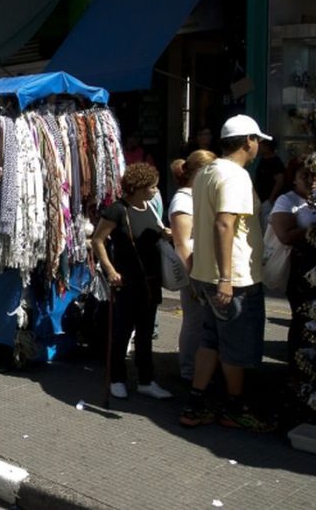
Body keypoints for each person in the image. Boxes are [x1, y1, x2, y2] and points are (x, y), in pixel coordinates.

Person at [180, 114, 274, 432]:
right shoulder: (235, 176)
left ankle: (196, 403)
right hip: (233, 279)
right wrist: (226, 278)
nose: (258, 146)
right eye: (257, 140)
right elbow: (224, 223)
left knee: (211, 339)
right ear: (248, 141)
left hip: (207, 273)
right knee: (235, 346)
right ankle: (235, 408)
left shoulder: (207, 172)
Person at [90, 163, 173, 400]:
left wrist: (164, 233)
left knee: (146, 333)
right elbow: (97, 240)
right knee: (123, 332)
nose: (156, 191)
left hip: (151, 280)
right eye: (152, 187)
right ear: (138, 188)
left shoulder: (150, 208)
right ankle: (117, 378)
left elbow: (153, 235)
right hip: (126, 281)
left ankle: (146, 380)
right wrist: (110, 270)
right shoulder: (117, 210)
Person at [270, 161, 316, 382]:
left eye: (315, 174)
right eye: (305, 175)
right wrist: (313, 229)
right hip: (301, 267)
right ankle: (298, 373)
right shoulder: (287, 200)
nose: (312, 180)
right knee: (302, 319)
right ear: (294, 178)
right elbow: (284, 235)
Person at [168, 149, 218, 380]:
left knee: (203, 321)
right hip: (194, 270)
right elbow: (182, 244)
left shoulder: (198, 196)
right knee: (195, 321)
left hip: (204, 269)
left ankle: (198, 368)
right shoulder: (183, 200)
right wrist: (193, 277)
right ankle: (189, 369)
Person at [255, 138, 286, 229]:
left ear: (267, 147)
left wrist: (270, 199)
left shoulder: (275, 162)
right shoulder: (262, 160)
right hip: (260, 201)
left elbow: (280, 181)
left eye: (261, 145)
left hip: (270, 202)